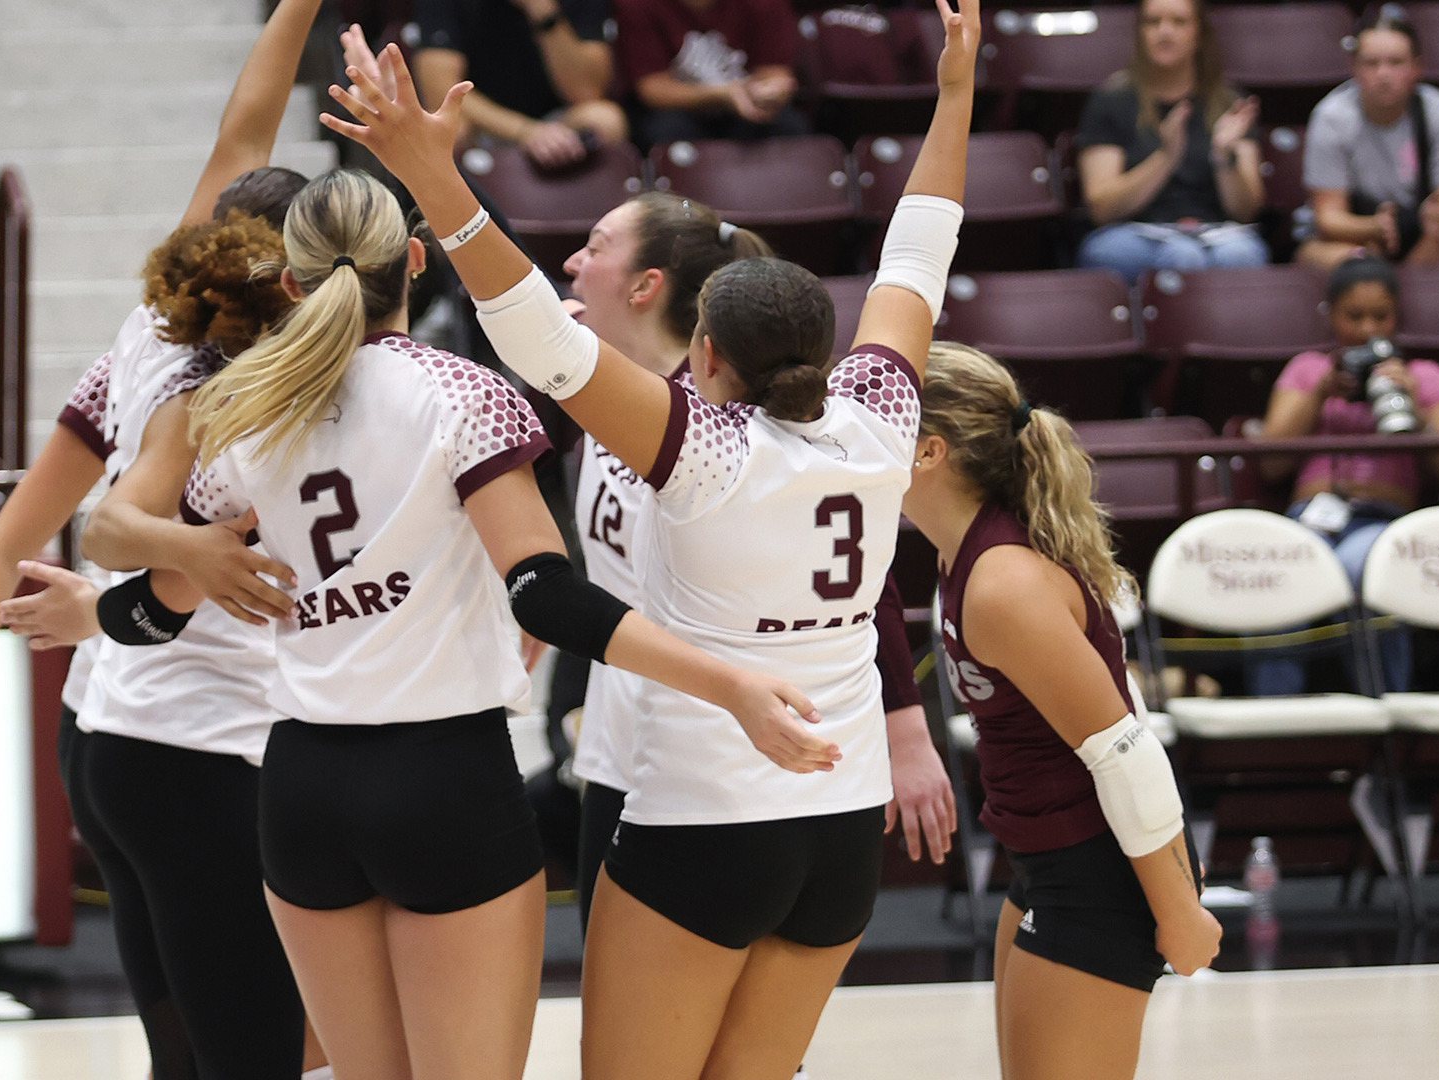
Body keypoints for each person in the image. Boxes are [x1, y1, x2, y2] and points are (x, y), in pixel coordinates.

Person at [320, 0, 971, 1071]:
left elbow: (525, 325)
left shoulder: (701, 450)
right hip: (840, 824)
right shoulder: (881, 415)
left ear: (705, 354)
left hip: (705, 814)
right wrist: (954, 97)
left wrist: (429, 173)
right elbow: (916, 261)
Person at [91, 159, 826, 1080]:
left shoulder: (246, 415)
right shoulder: (462, 393)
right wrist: (733, 686)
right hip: (443, 780)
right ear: (417, 263)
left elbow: (139, 614)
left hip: (302, 790)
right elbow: (543, 595)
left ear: (290, 280)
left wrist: (141, 586)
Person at [0, 0, 336, 1075]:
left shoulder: (141, 339)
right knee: (270, 1048)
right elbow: (118, 536)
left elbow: (4, 548)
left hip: (103, 738)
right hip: (210, 749)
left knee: (188, 1050)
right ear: (296, 279)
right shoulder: (272, 396)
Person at [558, 191, 955, 928]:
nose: (572, 262)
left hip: (719, 759)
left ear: (649, 287)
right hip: (622, 746)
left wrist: (905, 724)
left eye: (598, 242)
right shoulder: (603, 391)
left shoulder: (706, 432)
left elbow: (866, 578)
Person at [906, 339, 1220, 1079]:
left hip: (1099, 871)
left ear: (925, 452)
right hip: (1047, 862)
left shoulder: (1002, 580)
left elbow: (1124, 747)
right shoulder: (961, 555)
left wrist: (1177, 910)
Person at [1248, 257, 1439, 695]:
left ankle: (1385, 721)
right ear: (1331, 315)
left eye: (1380, 316)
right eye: (1354, 316)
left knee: (1363, 568)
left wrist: (1417, 409)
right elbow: (1270, 463)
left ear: (1397, 316)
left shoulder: (1425, 376)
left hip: (1382, 523)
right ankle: (1273, 724)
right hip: (1309, 520)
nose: (1368, 329)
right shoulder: (1308, 369)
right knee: (1277, 574)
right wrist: (1318, 394)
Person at [1075, 0, 1265, 284]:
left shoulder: (1228, 102)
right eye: (1153, 22)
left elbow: (1246, 210)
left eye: (1178, 22)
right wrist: (1166, 157)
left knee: (1243, 256)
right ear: (1140, 33)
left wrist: (1225, 155)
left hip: (1214, 233)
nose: (1165, 32)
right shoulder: (1111, 101)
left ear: (1198, 33)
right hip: (1133, 233)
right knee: (1182, 256)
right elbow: (1102, 208)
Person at [1295, 11, 1439, 271]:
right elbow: (1328, 218)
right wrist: (1375, 228)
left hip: (1422, 233)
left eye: (1396, 62)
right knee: (1319, 257)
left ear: (1417, 68)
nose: (1384, 74)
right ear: (1354, 68)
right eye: (1371, 63)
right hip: (1356, 237)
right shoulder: (1330, 117)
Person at [410, 0, 627, 170]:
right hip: (482, 123)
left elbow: (587, 92)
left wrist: (542, 10)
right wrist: (525, 131)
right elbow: (440, 93)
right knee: (449, 131)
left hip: (557, 121)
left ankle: (585, 222)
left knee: (606, 120)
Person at [615, 0, 807, 148]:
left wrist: (772, 90)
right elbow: (652, 88)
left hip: (748, 105)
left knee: (787, 125)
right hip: (678, 111)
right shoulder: (638, 4)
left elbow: (774, 71)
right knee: (663, 130)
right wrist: (722, 94)